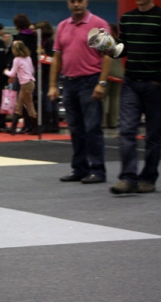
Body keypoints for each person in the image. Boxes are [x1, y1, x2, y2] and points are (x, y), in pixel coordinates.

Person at [106, 1, 161, 194]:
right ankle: (128, 178)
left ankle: (148, 178)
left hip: (153, 84)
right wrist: (108, 46)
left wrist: (158, 77)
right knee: (127, 130)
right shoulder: (127, 19)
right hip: (131, 82)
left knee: (153, 134)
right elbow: (124, 49)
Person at [48, 0, 112, 185]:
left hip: (90, 81)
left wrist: (101, 82)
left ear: (86, 2)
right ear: (68, 3)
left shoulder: (98, 24)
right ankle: (80, 168)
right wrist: (52, 85)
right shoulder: (62, 26)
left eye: (80, 1)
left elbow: (108, 54)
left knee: (92, 128)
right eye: (73, 1)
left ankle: (98, 170)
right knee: (75, 128)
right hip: (69, 82)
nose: (77, 4)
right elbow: (57, 56)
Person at [7, 14, 38, 134]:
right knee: (23, 102)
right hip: (31, 73)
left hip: (22, 76)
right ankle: (18, 127)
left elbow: (12, 56)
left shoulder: (19, 38)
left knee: (25, 103)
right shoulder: (34, 36)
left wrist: (7, 71)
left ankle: (28, 125)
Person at [4, 40, 37, 134]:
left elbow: (12, 73)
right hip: (30, 82)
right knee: (19, 105)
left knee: (29, 106)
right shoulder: (28, 58)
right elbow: (32, 70)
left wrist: (5, 71)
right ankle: (13, 128)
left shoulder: (17, 60)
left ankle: (36, 128)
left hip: (25, 84)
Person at [35, 20, 60, 133]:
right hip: (44, 74)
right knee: (48, 99)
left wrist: (41, 55)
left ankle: (51, 123)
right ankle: (51, 123)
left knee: (49, 99)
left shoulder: (49, 42)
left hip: (49, 74)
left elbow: (52, 59)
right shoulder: (42, 42)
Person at [102, 23, 124, 129]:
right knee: (115, 98)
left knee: (103, 98)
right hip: (119, 73)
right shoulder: (118, 43)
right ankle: (113, 122)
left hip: (108, 73)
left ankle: (103, 123)